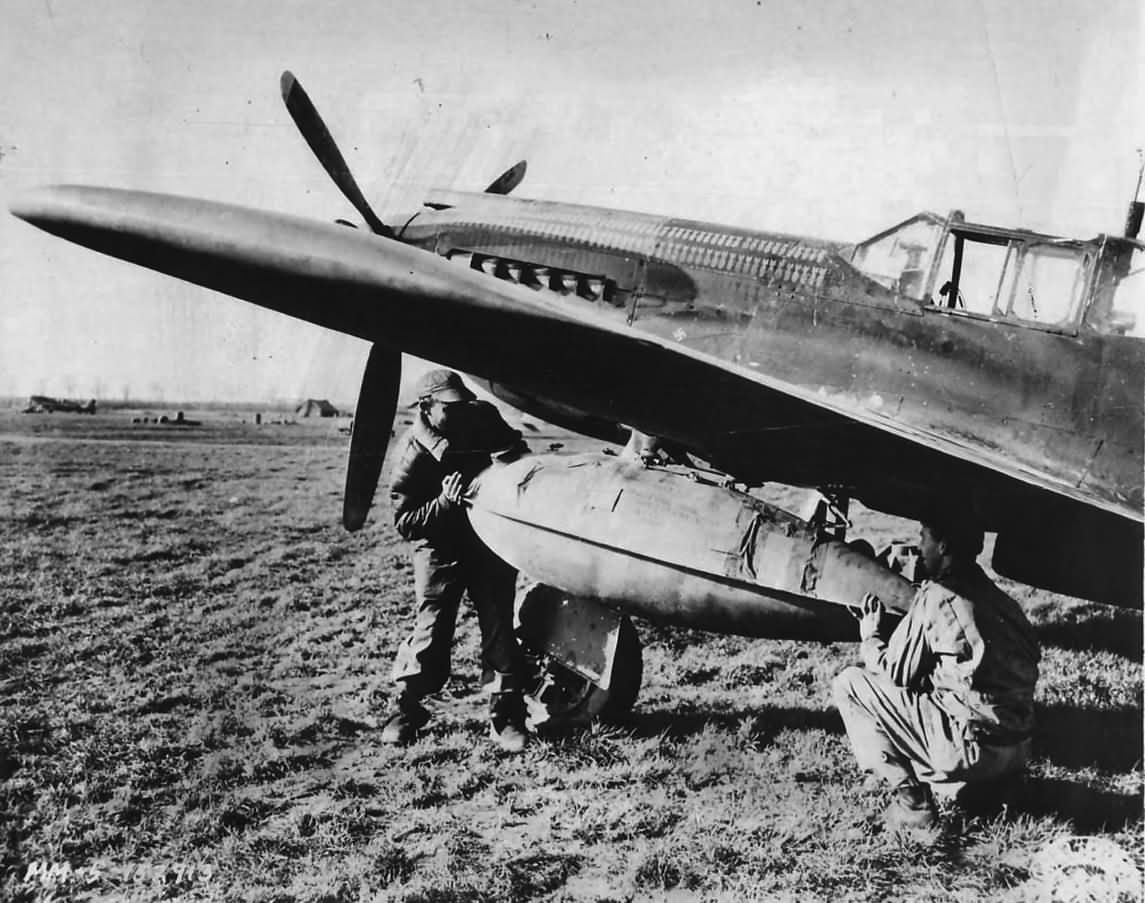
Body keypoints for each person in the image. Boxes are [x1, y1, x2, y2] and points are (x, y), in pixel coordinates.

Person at [832, 509, 1040, 835]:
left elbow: (895, 673)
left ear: (943, 547)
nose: (920, 548)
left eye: (923, 538)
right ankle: (993, 787)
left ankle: (912, 803)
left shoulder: (936, 596)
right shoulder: (1005, 602)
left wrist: (871, 635)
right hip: (1018, 749)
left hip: (971, 752)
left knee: (850, 684)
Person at [383, 368, 531, 752]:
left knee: (499, 624)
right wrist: (444, 504)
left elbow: (515, 449)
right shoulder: (411, 453)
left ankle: (506, 714)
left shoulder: (481, 416)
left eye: (462, 402)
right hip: (439, 546)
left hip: (486, 538)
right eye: (449, 407)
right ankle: (407, 709)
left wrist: (503, 477)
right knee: (432, 629)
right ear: (427, 408)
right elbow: (406, 522)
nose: (459, 411)